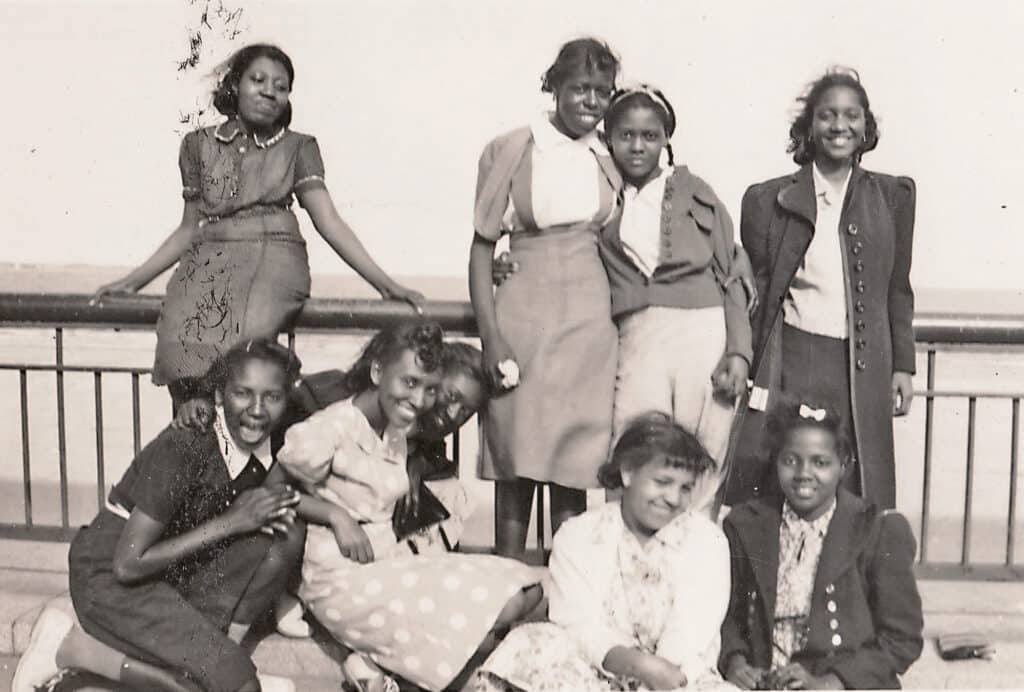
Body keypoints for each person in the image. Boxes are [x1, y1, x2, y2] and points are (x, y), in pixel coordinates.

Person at [91, 43, 422, 421]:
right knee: (179, 336)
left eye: (281, 87)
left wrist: (385, 284)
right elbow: (188, 228)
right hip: (211, 256)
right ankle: (199, 436)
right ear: (234, 85)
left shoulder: (299, 148)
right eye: (258, 80)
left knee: (242, 350)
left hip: (274, 256)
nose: (270, 91)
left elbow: (328, 221)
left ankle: (240, 444)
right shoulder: (197, 145)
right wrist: (132, 282)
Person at [13, 339, 307, 692]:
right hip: (110, 575)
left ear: (286, 398)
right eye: (242, 393)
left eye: (272, 397)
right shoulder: (186, 446)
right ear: (218, 395)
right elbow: (126, 563)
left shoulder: (273, 440)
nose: (257, 409)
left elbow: (335, 392)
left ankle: (206, 669)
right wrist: (233, 522)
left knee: (281, 531)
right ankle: (72, 650)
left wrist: (335, 515)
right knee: (234, 684)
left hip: (168, 568)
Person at [277, 322, 543, 692]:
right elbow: (272, 489)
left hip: (387, 568)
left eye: (430, 390)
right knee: (479, 640)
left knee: (526, 591)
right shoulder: (333, 425)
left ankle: (378, 666)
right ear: (377, 372)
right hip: (341, 580)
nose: (422, 401)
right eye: (412, 384)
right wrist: (334, 515)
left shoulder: (398, 434)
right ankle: (385, 666)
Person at [727, 67, 916, 509]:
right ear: (809, 127)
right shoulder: (766, 199)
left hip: (859, 365)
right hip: (792, 356)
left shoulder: (892, 197)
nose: (840, 126)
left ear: (866, 126)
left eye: (852, 116)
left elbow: (897, 289)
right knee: (781, 472)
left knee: (853, 481)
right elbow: (756, 293)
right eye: (827, 115)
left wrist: (903, 365)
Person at [469, 37, 622, 559]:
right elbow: (481, 247)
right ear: (553, 86)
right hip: (524, 311)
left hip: (589, 318)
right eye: (580, 88)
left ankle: (566, 593)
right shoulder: (511, 148)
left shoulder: (610, 154)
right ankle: (504, 586)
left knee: (573, 459)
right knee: (516, 451)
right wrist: (491, 339)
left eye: (603, 91)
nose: (591, 101)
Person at [475, 413, 731, 691]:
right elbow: (579, 625)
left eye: (685, 488)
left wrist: (656, 676)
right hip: (595, 670)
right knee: (531, 644)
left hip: (675, 677)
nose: (672, 498)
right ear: (628, 472)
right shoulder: (579, 535)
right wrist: (638, 665)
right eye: (662, 482)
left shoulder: (706, 541)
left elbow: (690, 634)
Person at [596, 83, 753, 512]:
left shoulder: (693, 189)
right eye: (626, 135)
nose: (637, 146)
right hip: (639, 337)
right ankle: (629, 561)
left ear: (666, 139)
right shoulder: (601, 194)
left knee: (705, 453)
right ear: (608, 138)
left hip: (701, 334)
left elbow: (733, 274)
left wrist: (738, 353)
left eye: (649, 135)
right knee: (632, 446)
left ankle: (692, 560)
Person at [720, 397, 923, 690]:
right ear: (776, 462)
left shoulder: (876, 530)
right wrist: (736, 661)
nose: (804, 474)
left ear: (843, 465)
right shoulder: (746, 525)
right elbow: (730, 615)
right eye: (791, 460)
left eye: (820, 462)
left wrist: (833, 682)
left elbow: (902, 639)